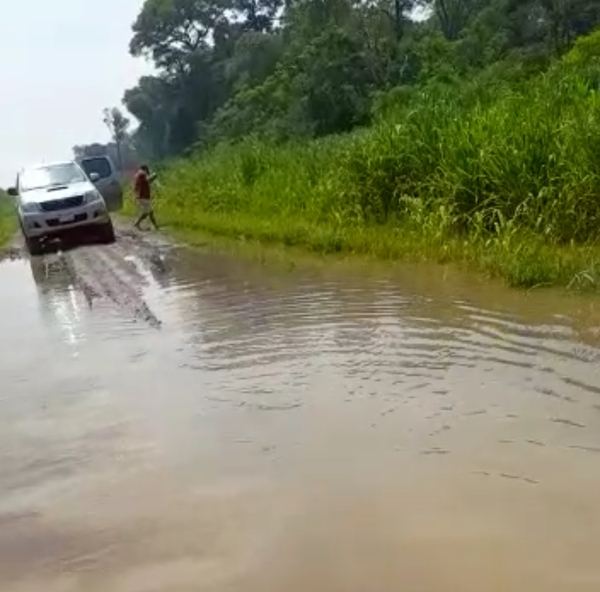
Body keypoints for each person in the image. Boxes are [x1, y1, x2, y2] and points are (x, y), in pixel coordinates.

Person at [133, 164, 158, 231]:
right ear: (145, 169)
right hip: (144, 196)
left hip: (142, 196)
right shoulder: (142, 174)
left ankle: (156, 226)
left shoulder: (138, 175)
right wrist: (154, 176)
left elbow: (138, 186)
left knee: (149, 212)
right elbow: (148, 180)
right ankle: (137, 223)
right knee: (148, 212)